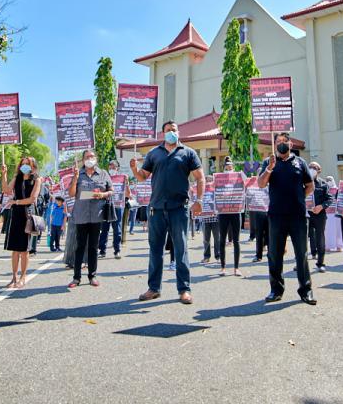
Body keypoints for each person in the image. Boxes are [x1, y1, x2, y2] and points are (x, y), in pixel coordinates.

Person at [130, 120, 205, 305]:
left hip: (179, 209)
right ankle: (153, 289)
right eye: (168, 130)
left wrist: (199, 200)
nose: (172, 132)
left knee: (181, 249)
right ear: (162, 133)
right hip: (156, 209)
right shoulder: (154, 153)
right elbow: (142, 177)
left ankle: (184, 289)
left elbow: (200, 177)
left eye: (174, 129)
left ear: (178, 131)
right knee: (155, 250)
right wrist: (134, 169)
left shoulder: (188, 153)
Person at [258, 133, 316, 305]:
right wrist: (269, 168)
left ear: (290, 143)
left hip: (298, 215)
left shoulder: (300, 162)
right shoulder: (269, 163)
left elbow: (310, 186)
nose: (282, 144)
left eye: (285, 141)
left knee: (301, 254)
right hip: (276, 216)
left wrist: (298, 197)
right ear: (274, 144)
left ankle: (306, 290)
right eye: (279, 142)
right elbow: (260, 184)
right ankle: (276, 290)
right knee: (274, 254)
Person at [68, 150, 113, 288]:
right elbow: (71, 194)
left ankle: (92, 276)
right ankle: (76, 278)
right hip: (81, 215)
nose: (90, 159)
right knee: (80, 246)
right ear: (82, 160)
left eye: (92, 156)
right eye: (87, 157)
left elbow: (111, 190)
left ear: (96, 158)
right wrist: (75, 178)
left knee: (93, 247)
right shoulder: (78, 174)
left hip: (96, 215)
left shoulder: (103, 173)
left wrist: (103, 194)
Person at [1, 156, 42, 289]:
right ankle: (13, 277)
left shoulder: (37, 179)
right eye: (22, 164)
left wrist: (16, 202)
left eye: (27, 164)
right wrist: (4, 174)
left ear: (33, 166)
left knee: (24, 250)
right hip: (15, 214)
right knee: (14, 249)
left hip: (27, 215)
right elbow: (7, 190)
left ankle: (23, 277)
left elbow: (32, 199)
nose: (24, 166)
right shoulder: (17, 177)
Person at [218, 158, 244, 277]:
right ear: (224, 168)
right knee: (222, 240)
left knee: (236, 240)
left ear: (233, 168)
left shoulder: (238, 176)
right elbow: (214, 191)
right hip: (223, 212)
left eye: (230, 168)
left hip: (235, 211)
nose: (228, 170)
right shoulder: (219, 178)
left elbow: (247, 181)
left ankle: (236, 268)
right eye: (226, 168)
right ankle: (223, 267)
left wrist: (240, 173)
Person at [306, 161, 332, 272]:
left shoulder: (323, 184)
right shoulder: (302, 182)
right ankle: (300, 263)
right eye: (310, 167)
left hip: (319, 215)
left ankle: (320, 263)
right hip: (305, 215)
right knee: (301, 239)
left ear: (319, 170)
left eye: (315, 167)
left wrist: (321, 206)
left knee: (320, 238)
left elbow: (330, 199)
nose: (312, 169)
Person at [98, 161, 126, 260]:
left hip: (118, 207)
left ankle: (117, 251)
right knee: (104, 229)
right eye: (110, 167)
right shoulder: (104, 177)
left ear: (117, 168)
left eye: (113, 167)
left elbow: (128, 193)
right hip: (106, 205)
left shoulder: (123, 178)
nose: (111, 169)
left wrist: (126, 184)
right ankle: (102, 250)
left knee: (117, 230)